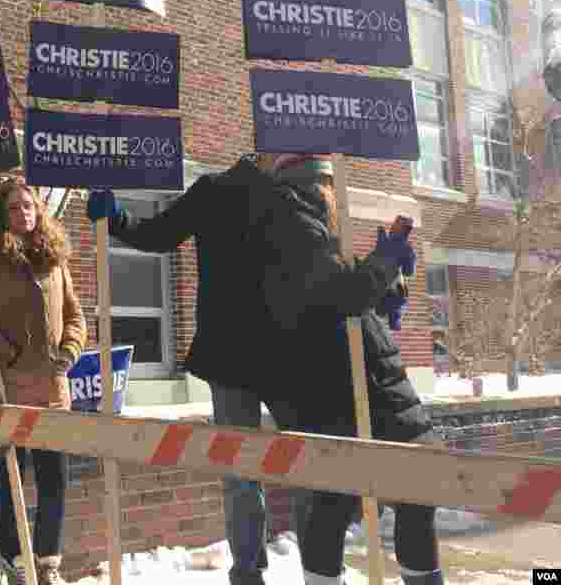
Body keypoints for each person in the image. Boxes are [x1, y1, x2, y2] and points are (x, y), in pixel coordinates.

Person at [87, 154, 441, 585]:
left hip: (278, 356)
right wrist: (118, 218)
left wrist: (382, 288)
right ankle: (258, 570)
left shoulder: (295, 196)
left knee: (300, 464)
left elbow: (331, 281)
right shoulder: (221, 191)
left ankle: (308, 569)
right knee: (261, 468)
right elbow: (162, 233)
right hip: (256, 354)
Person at [0, 178, 87, 585]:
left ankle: (48, 565)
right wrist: (1, 351)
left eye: (29, 206)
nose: (23, 213)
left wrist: (71, 350)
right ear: (1, 213)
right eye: (14, 208)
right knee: (12, 478)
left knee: (54, 480)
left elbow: (76, 316)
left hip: (53, 390)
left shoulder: (53, 258)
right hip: (10, 388)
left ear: (39, 210)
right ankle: (15, 561)